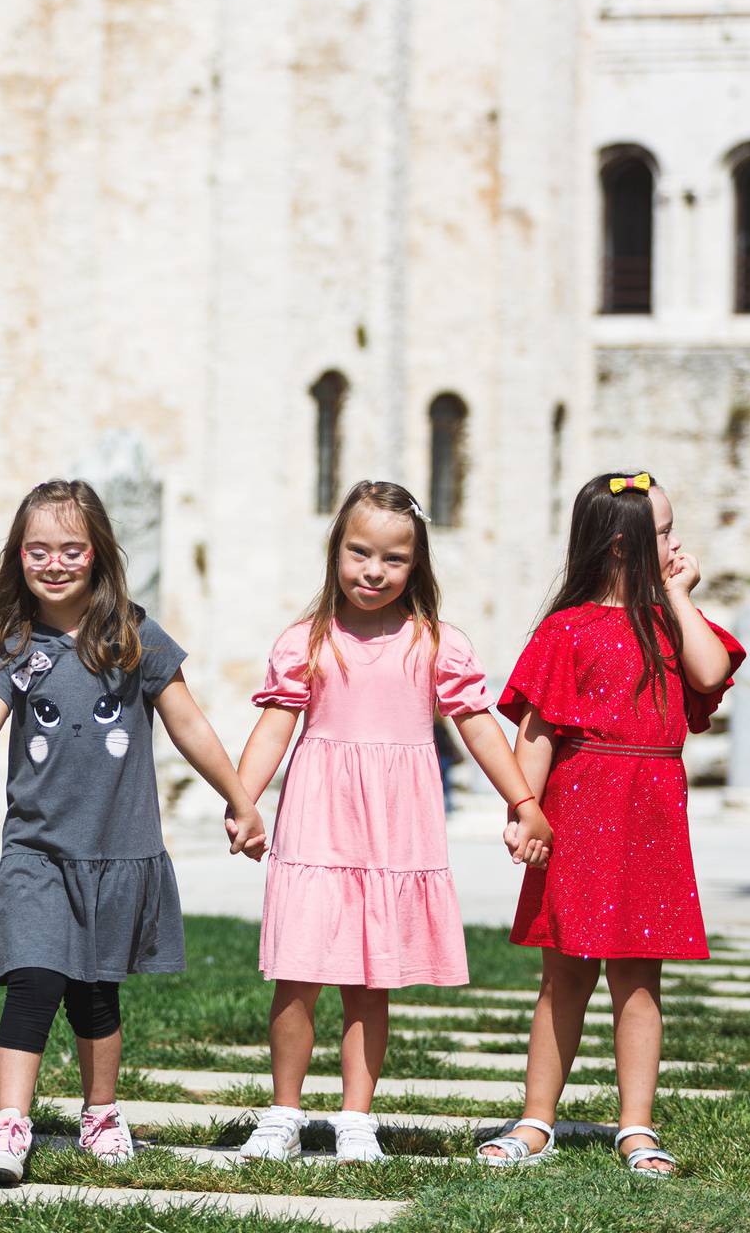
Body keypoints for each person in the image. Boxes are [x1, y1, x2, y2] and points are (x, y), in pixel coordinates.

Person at [0, 479, 269, 1186]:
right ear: (17, 558)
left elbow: (189, 723)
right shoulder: (16, 648)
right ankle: (10, 1121)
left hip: (114, 851)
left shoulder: (135, 637)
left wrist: (238, 796)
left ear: (99, 554)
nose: (55, 563)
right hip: (38, 851)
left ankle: (100, 1112)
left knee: (96, 991)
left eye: (72, 549)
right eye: (38, 550)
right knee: (34, 975)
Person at [234, 480, 550, 1163]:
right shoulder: (306, 642)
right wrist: (243, 797)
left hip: (393, 828)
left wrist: (524, 802)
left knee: (369, 979)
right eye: (358, 553)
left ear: (417, 566)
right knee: (297, 973)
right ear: (335, 551)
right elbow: (273, 729)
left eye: (393, 559)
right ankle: (283, 1112)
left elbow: (480, 731)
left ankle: (355, 1117)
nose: (372, 571)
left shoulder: (436, 643)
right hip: (319, 820)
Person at [475, 471, 743, 1177]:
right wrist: (525, 810)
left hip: (651, 817)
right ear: (625, 547)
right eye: (664, 533)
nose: (678, 543)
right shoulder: (566, 631)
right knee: (563, 977)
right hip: (580, 808)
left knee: (639, 978)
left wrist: (681, 596)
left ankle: (636, 1126)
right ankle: (537, 1120)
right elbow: (535, 732)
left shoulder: (674, 626)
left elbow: (711, 673)